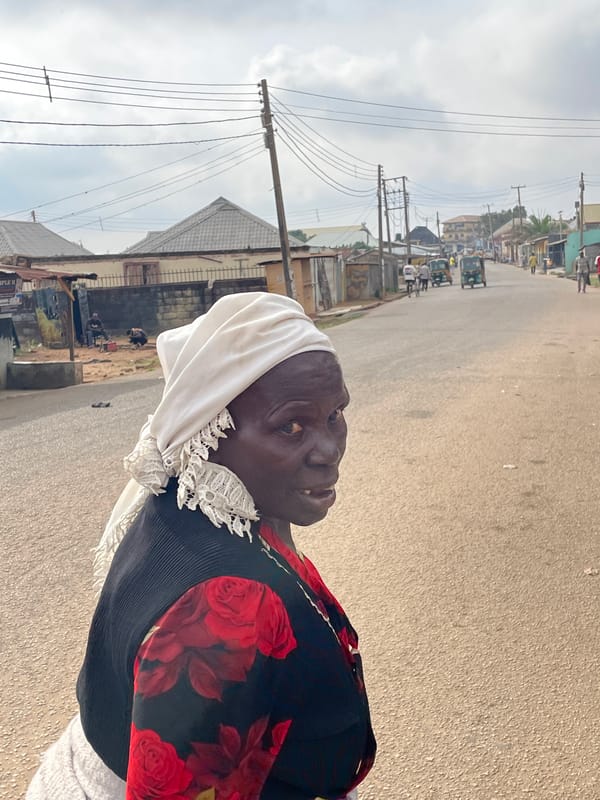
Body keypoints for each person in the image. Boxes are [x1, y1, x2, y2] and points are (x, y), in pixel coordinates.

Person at [26, 292, 376, 800]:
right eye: (291, 425)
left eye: (335, 414)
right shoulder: (229, 607)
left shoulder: (195, 500)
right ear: (210, 432)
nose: (329, 450)